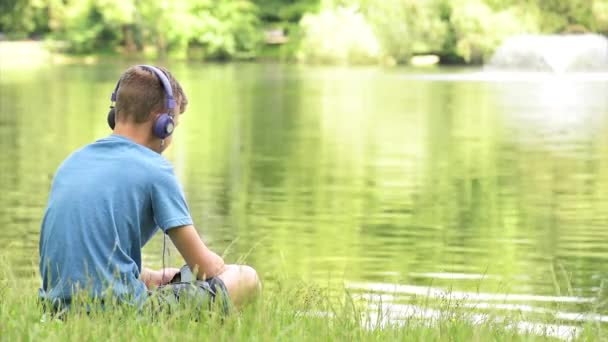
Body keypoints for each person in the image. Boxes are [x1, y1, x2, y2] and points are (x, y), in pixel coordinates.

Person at [38, 65, 260, 314]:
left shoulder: (72, 163)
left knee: (167, 278)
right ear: (162, 123)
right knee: (246, 278)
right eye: (173, 123)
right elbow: (204, 266)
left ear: (116, 114)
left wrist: (151, 276)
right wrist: (223, 269)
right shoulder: (156, 170)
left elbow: (87, 255)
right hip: (123, 314)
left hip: (55, 312)